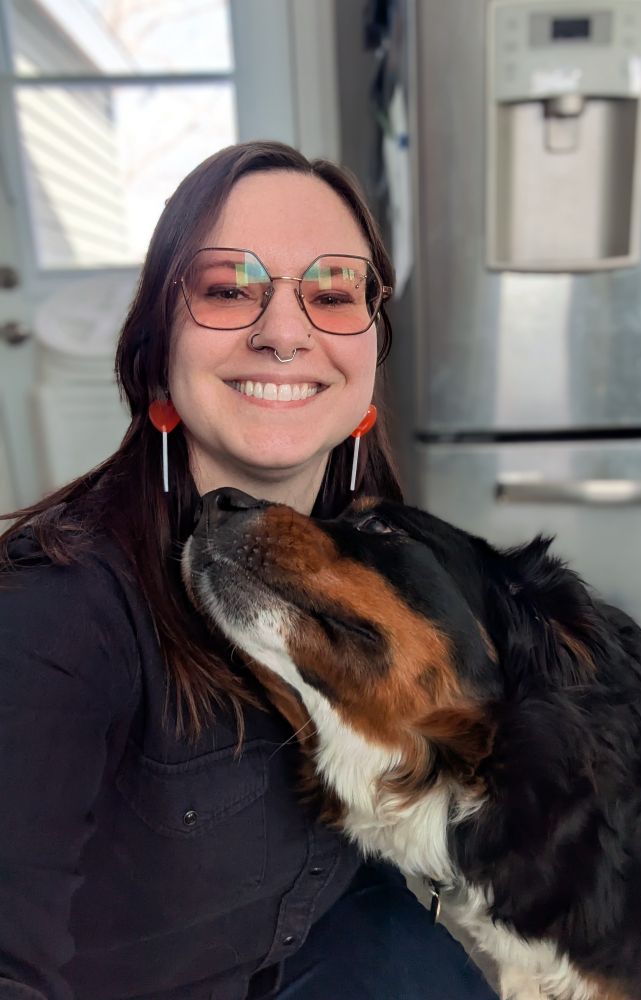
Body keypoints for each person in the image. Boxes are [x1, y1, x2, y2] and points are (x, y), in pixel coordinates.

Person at [0, 141, 498, 1000]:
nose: (283, 331)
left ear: (373, 345)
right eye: (229, 289)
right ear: (157, 343)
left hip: (333, 928)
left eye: (334, 290)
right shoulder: (53, 615)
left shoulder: (374, 542)